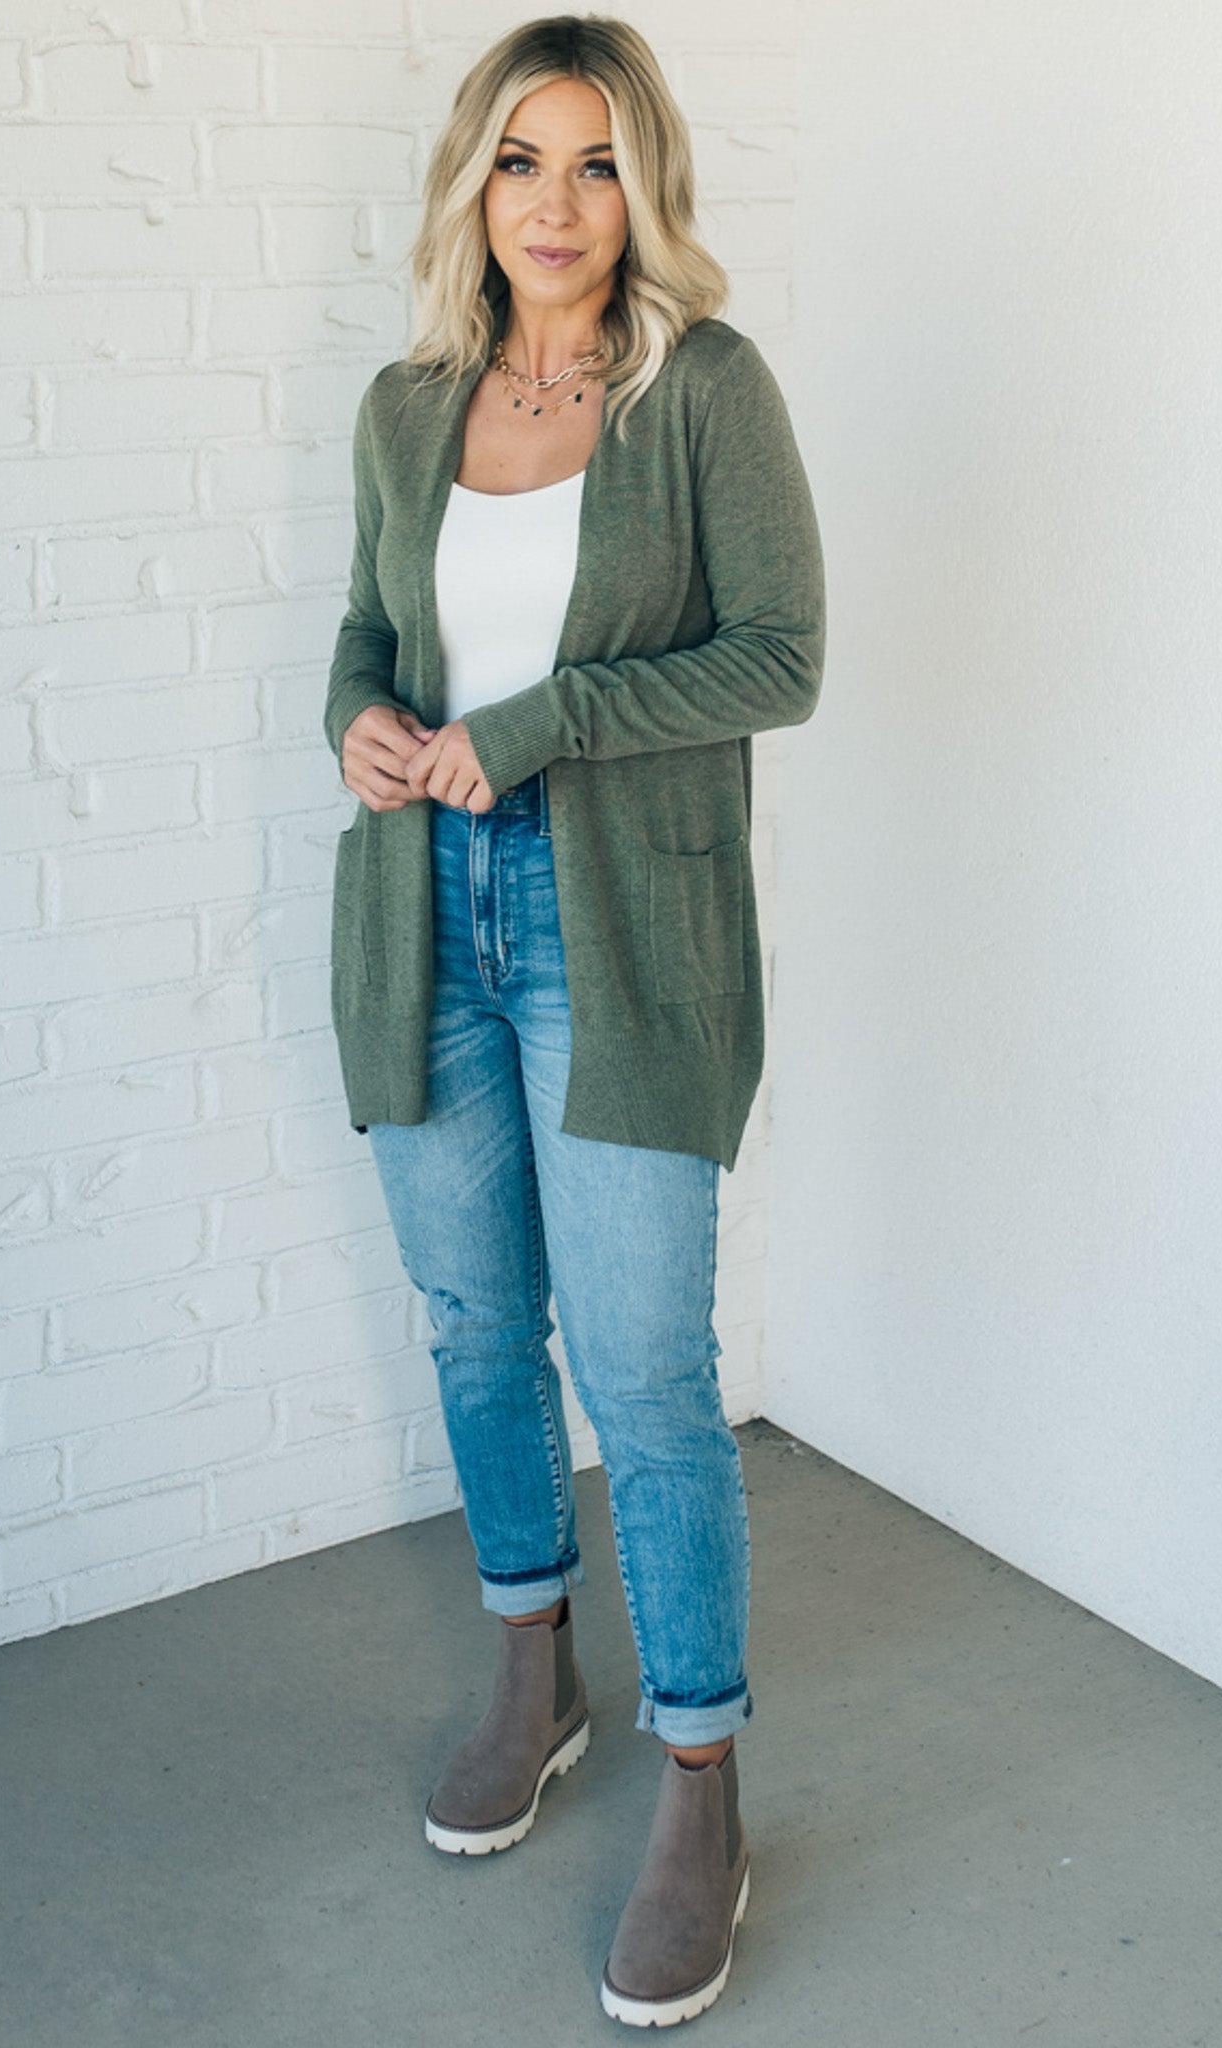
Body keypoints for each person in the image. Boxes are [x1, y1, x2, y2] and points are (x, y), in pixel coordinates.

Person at [323, 13, 826, 2028]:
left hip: (623, 928)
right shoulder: (407, 399)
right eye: (522, 162)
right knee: (470, 1320)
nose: (556, 204)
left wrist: (532, 729)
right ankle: (535, 1670)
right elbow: (371, 631)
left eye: (596, 163)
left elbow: (781, 656)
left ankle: (701, 1777)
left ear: (647, 187)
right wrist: (351, 722)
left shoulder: (702, 389)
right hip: (422, 912)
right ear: (475, 183)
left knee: (645, 1364)